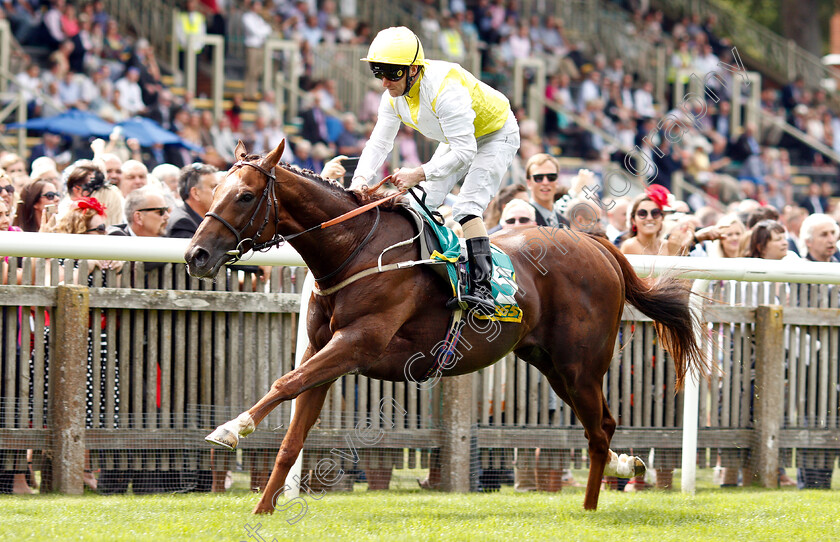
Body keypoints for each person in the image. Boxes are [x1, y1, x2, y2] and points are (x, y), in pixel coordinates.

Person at [351, 26, 520, 315]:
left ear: (414, 70)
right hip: (456, 138)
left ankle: (483, 289)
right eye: (378, 72)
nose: (384, 82)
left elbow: (465, 152)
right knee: (420, 203)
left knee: (467, 208)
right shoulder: (391, 96)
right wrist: (359, 180)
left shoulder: (444, 90)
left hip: (495, 134)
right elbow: (379, 142)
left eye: (392, 74)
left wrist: (418, 172)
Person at [166, 163, 219, 238]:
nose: (220, 192)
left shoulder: (212, 220)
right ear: (195, 193)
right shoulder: (182, 224)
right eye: (213, 187)